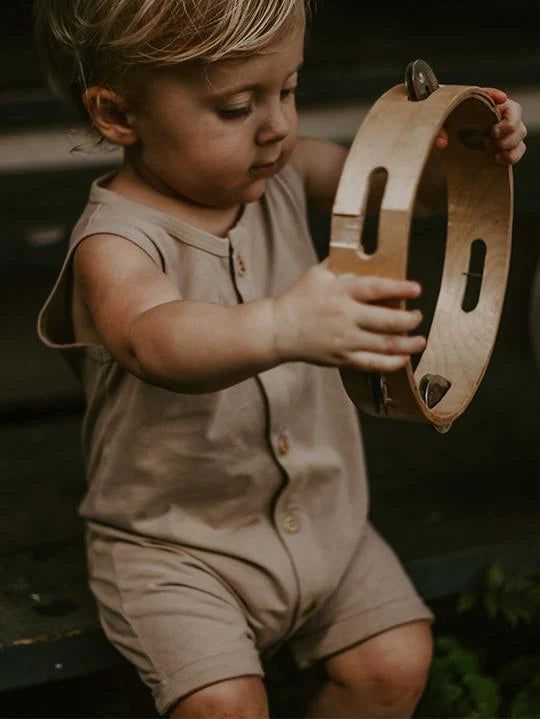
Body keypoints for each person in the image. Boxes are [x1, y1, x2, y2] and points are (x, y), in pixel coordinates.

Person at [34, 1, 527, 716]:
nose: (278, 127)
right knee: (224, 706)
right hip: (177, 549)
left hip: (325, 517)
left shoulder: (285, 169)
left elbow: (402, 190)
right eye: (237, 106)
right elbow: (152, 336)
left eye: (288, 90)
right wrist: (280, 325)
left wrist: (471, 157)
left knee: (395, 661)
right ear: (118, 115)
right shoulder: (115, 242)